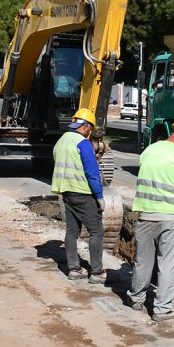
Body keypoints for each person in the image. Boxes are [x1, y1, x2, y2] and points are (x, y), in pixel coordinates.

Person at [126, 116, 174, 323]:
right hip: (171, 218)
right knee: (167, 264)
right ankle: (162, 309)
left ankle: (136, 299)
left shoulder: (149, 150)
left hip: (145, 214)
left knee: (143, 260)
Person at [51, 108, 106, 283]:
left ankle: (74, 269)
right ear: (85, 127)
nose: (89, 133)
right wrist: (99, 195)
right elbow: (92, 172)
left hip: (66, 192)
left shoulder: (61, 141)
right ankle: (97, 272)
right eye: (90, 129)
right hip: (82, 193)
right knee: (96, 231)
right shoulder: (83, 143)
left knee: (72, 231)